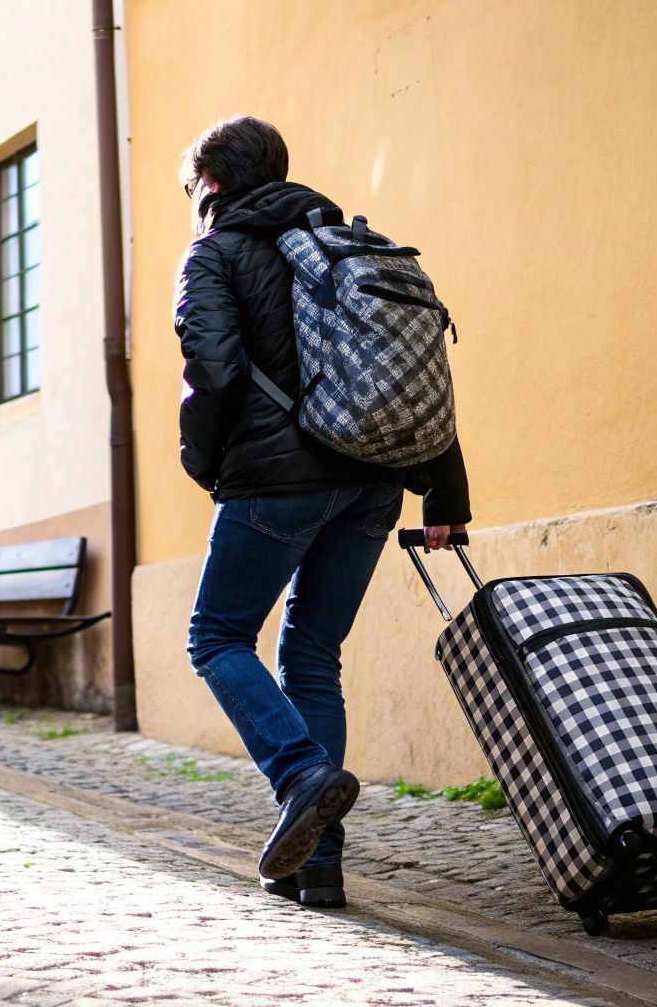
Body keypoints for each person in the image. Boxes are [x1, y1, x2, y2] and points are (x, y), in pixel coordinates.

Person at [174, 117, 471, 909]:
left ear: (211, 182)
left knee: (218, 637)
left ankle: (300, 773)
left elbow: (212, 369)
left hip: (274, 482)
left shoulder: (215, 252)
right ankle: (320, 864)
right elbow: (418, 373)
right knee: (312, 654)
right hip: (373, 482)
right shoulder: (352, 248)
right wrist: (447, 493)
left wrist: (204, 462)